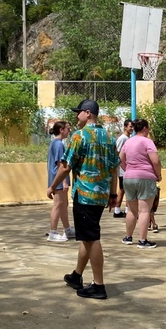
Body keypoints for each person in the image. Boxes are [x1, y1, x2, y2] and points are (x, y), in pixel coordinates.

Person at [47, 99, 120, 300]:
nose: (76, 116)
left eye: (79, 112)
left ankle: (98, 285)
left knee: (91, 238)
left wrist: (53, 186)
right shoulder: (109, 137)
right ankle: (76, 275)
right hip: (101, 195)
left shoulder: (80, 136)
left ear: (88, 113)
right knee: (87, 236)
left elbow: (65, 166)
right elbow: (114, 168)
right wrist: (113, 194)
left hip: (85, 194)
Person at [120, 118, 162, 248]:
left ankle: (128, 237)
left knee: (131, 210)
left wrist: (128, 170)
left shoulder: (128, 142)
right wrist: (158, 175)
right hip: (145, 177)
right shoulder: (147, 142)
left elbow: (121, 159)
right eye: (148, 128)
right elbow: (155, 161)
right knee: (144, 210)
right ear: (144, 128)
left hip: (128, 177)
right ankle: (143, 241)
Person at [46, 120, 75, 242]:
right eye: (67, 128)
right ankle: (53, 232)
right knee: (58, 205)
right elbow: (60, 164)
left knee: (63, 205)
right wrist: (63, 181)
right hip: (57, 180)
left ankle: (67, 229)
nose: (69, 131)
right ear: (61, 130)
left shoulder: (56, 143)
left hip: (57, 179)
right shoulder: (58, 144)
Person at [113, 118, 133, 218]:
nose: (132, 128)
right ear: (125, 127)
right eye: (130, 126)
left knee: (125, 189)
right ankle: (117, 210)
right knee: (123, 189)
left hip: (126, 168)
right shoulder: (123, 138)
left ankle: (125, 210)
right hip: (122, 169)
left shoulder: (129, 138)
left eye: (133, 127)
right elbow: (118, 153)